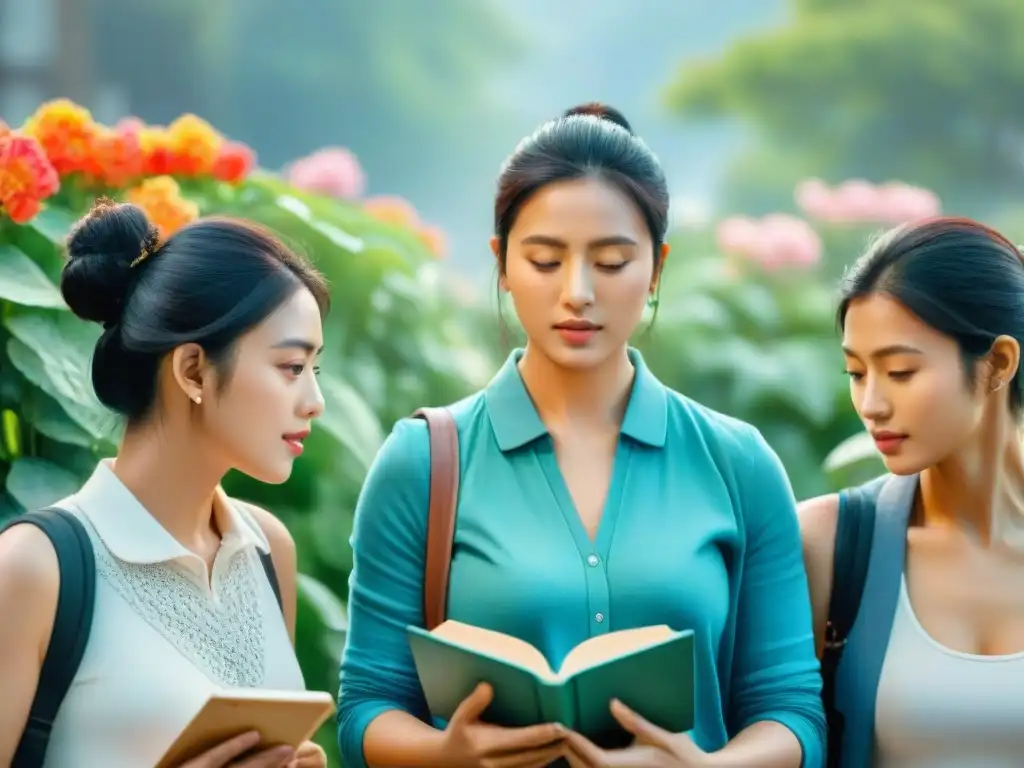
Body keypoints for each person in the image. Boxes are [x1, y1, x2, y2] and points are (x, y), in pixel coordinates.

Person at [338, 104, 826, 768]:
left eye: (612, 261)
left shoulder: (738, 464)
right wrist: (444, 753)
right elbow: (367, 705)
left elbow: (792, 712)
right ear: (502, 264)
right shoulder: (422, 463)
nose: (577, 292)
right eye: (544, 260)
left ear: (656, 268)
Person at [0, 200, 330, 768]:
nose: (315, 403)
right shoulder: (35, 568)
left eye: (314, 371)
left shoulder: (268, 549)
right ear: (193, 370)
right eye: (291, 368)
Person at [799, 217, 1024, 767]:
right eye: (856, 373)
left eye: (900, 372)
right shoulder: (828, 546)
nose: (871, 404)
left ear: (996, 364)